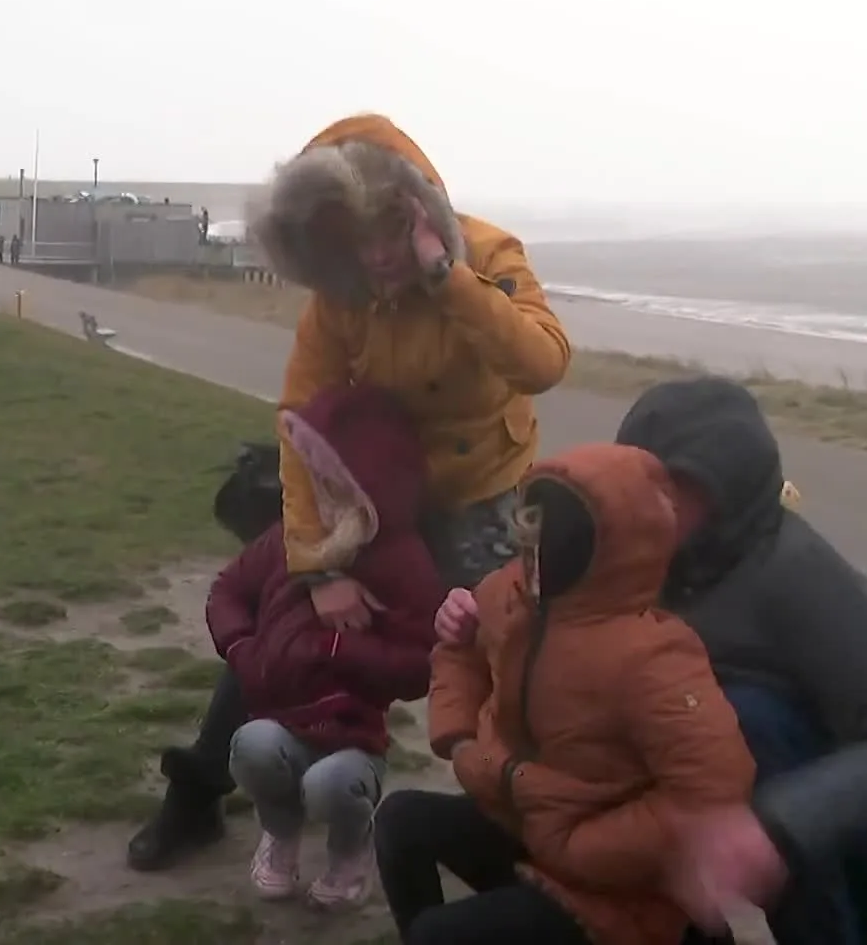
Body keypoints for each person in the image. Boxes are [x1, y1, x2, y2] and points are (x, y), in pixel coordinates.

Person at [127, 113, 572, 872]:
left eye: (390, 232)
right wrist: (318, 569)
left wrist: (447, 278)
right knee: (281, 639)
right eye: (352, 242)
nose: (376, 257)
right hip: (374, 502)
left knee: (513, 660)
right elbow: (298, 428)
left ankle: (538, 834)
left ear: (421, 212)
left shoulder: (490, 254)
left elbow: (543, 363)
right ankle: (196, 798)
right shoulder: (338, 302)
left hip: (483, 493)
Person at [434, 377, 867, 945]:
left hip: (808, 814)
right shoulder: (632, 543)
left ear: (729, 493)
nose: (658, 502)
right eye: (649, 479)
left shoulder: (801, 578)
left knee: (747, 713)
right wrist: (470, 617)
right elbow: (540, 612)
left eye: (682, 486)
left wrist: (776, 828)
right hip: (664, 817)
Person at [380, 444, 756, 944]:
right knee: (401, 821)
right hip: (527, 825)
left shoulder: (653, 657)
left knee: (440, 935)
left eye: (553, 539)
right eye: (529, 535)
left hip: (611, 890)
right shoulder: (512, 592)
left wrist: (584, 846)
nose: (532, 555)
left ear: (606, 546)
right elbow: (460, 653)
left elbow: (712, 795)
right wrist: (460, 738)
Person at [204, 385, 448, 910]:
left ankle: (348, 851)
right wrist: (242, 648)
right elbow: (227, 591)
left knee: (331, 784)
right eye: (315, 474)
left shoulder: (403, 561)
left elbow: (419, 667)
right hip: (280, 718)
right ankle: (281, 831)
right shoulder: (292, 536)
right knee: (252, 745)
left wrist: (337, 649)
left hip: (352, 737)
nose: (321, 490)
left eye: (335, 478)